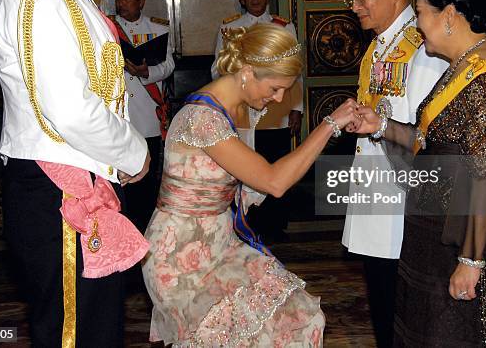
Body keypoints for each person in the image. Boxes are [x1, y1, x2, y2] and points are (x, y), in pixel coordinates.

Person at [0, 0, 150, 347]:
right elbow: (68, 107)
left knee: (94, 329)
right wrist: (134, 153)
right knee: (73, 334)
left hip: (72, 181)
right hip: (56, 187)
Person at [354, 0, 486, 346]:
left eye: (420, 13)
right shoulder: (462, 64)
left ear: (449, 15)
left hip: (474, 239)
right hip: (438, 232)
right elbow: (431, 141)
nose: (417, 25)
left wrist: (470, 262)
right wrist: (382, 125)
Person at [142, 23, 361, 346]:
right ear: (246, 72)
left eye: (285, 90)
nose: (279, 98)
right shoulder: (202, 118)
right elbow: (273, 182)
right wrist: (328, 126)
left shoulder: (241, 109)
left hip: (221, 242)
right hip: (179, 255)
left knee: (299, 315)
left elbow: (250, 183)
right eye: (274, 88)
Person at [341, 0, 448, 347]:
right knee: (384, 303)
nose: (355, 7)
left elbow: (429, 136)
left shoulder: (423, 48)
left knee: (404, 310)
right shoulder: (381, 46)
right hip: (377, 195)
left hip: (403, 203)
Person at [211, 0, 303, 241]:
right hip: (242, 112)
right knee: (246, 166)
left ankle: (275, 225)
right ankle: (247, 222)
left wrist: (296, 108)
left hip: (275, 112)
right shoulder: (230, 28)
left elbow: (294, 72)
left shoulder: (284, 27)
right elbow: (218, 69)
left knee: (276, 162)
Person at [111, 0, 174, 232]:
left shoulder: (158, 29)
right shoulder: (109, 29)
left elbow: (169, 65)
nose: (122, 4)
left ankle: (147, 229)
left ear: (141, 1)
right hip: (121, 116)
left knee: (147, 181)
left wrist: (146, 72)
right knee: (123, 178)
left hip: (147, 115)